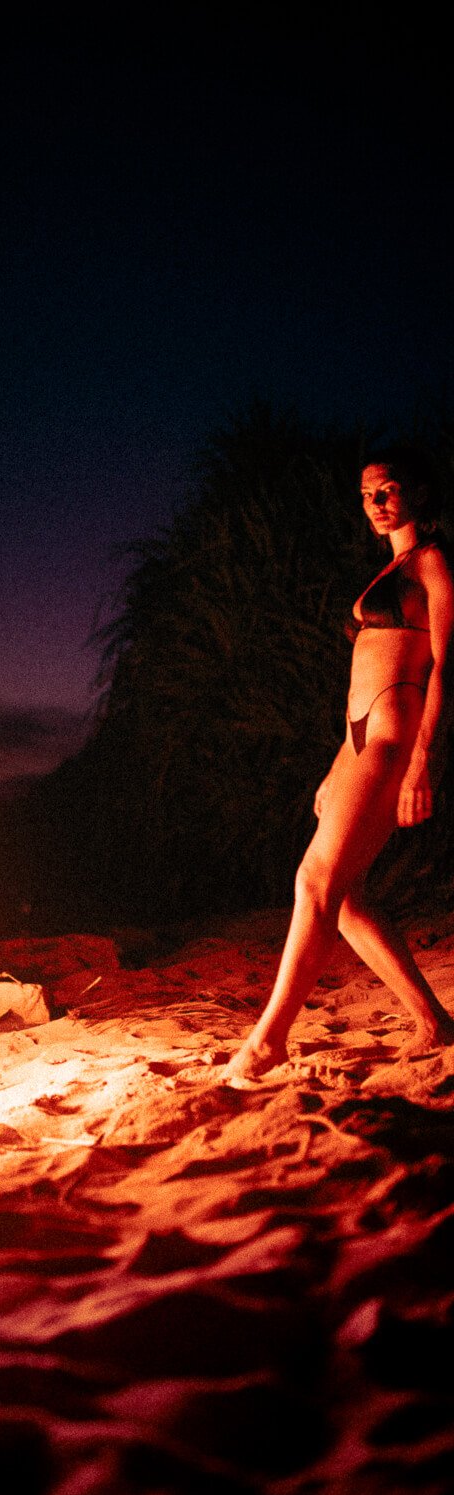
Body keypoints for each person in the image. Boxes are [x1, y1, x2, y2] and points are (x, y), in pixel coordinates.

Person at [223, 445, 454, 1086]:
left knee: (315, 882)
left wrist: (421, 763)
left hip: (395, 736)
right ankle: (433, 1023)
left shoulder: (433, 562)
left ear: (419, 494)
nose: (376, 504)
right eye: (365, 495)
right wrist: (335, 763)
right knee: (346, 900)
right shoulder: (395, 566)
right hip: (357, 741)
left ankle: (267, 1042)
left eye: (388, 491)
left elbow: (446, 668)